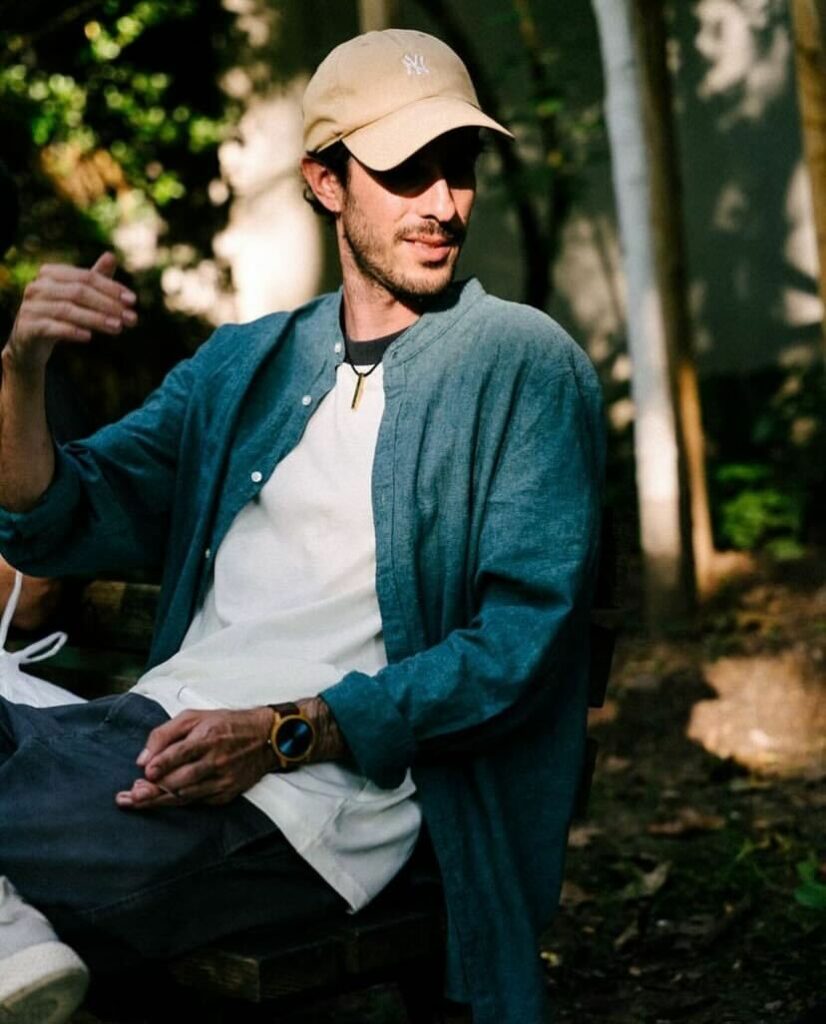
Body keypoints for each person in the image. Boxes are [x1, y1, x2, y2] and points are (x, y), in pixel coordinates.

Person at [0, 29, 604, 1024]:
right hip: (147, 735)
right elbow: (56, 516)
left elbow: (515, 649)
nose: (443, 203)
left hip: (307, 800)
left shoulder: (520, 364)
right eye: (406, 170)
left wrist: (288, 729)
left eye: (459, 168)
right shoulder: (246, 362)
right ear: (326, 182)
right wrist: (20, 369)